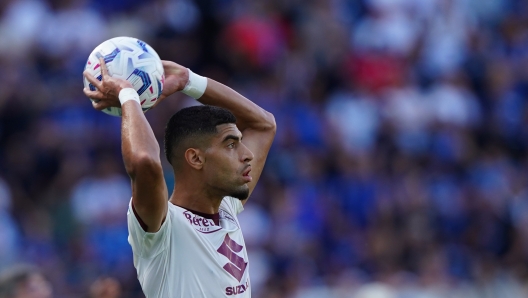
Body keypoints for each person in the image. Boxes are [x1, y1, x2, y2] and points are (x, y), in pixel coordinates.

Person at [83, 57, 276, 297]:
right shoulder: (162, 228)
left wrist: (189, 80)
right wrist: (128, 95)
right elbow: (145, 162)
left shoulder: (226, 209)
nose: (247, 154)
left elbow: (264, 125)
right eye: (230, 145)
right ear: (195, 159)